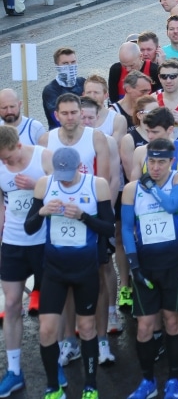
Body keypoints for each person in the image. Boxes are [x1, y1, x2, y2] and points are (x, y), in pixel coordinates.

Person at [24, 146, 115, 399]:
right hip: (54, 270)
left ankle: (90, 385)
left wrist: (83, 216)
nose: (64, 180)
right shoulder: (45, 184)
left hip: (86, 270)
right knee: (46, 330)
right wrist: (42, 211)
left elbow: (109, 229)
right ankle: (53, 387)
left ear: (80, 169)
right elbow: (30, 228)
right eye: (60, 175)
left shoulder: (96, 185)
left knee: (86, 328)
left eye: (69, 175)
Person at [120, 138, 178, 399]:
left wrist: (151, 187)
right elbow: (127, 229)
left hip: (173, 264)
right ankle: (147, 381)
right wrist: (133, 266)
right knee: (144, 327)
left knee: (173, 321)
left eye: (161, 161)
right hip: (146, 266)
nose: (156, 167)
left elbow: (172, 205)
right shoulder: (131, 189)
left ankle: (173, 379)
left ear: (171, 162)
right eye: (151, 161)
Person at [0, 125, 54, 396]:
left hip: (44, 242)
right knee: (10, 304)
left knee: (51, 306)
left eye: (9, 158)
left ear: (19, 145)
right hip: (12, 243)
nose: (6, 163)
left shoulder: (43, 157)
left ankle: (56, 365)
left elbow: (64, 190)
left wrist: (36, 186)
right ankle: (14, 370)